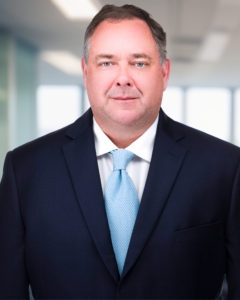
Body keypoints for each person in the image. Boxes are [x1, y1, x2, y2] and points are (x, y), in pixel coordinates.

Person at [0, 4, 240, 299]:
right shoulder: (25, 170)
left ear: (164, 73)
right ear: (86, 72)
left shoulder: (225, 168)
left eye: (139, 63)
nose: (123, 78)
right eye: (106, 63)